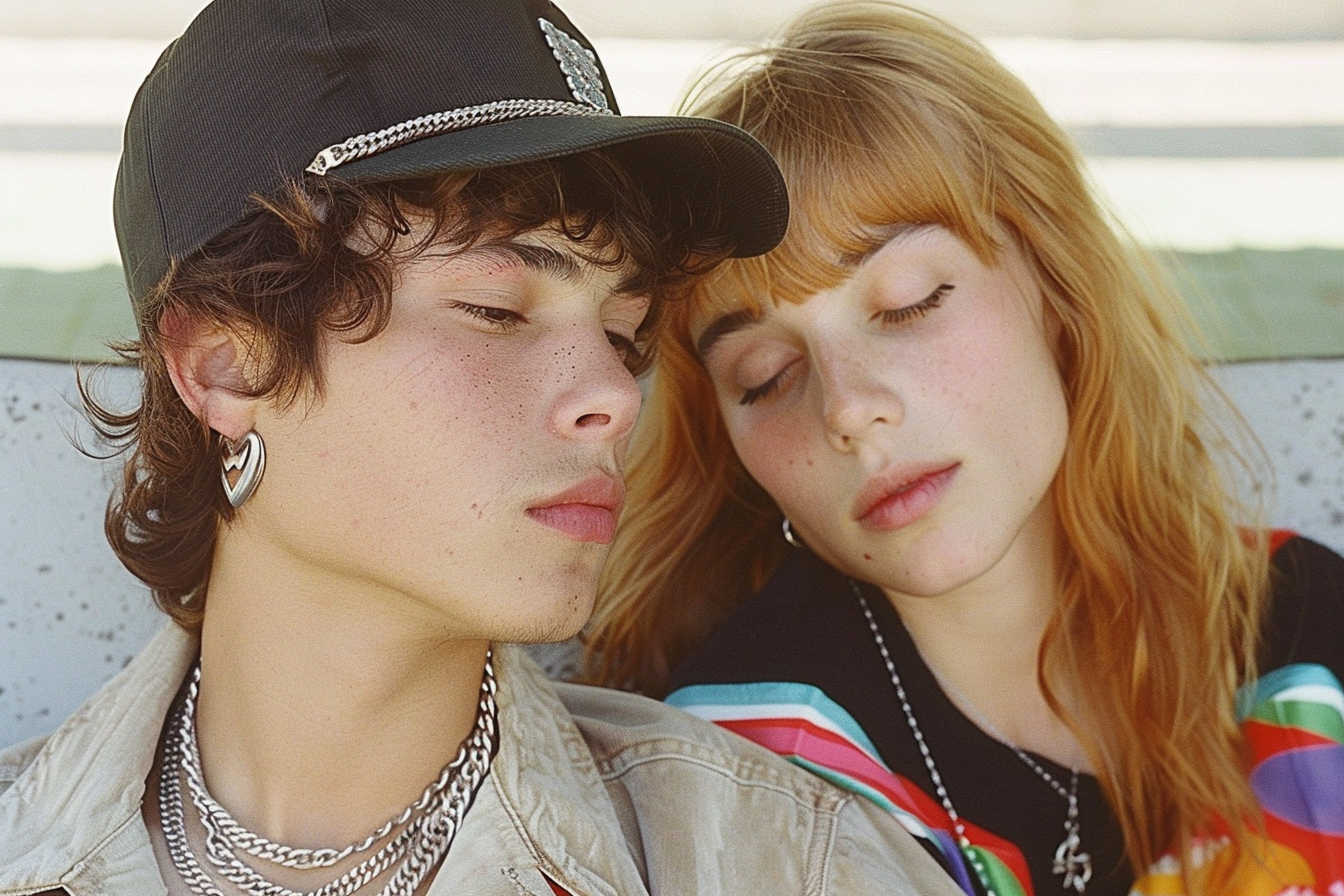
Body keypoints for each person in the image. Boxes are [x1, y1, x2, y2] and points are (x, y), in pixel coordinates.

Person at [0, 2, 968, 895]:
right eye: (498, 309)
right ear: (225, 364)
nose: (611, 395)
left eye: (625, 333)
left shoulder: (787, 864)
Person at [586, 4, 1344, 896]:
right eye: (764, 375)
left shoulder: (1307, 636)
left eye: (907, 302)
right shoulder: (748, 769)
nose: (850, 409)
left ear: (1054, 282)